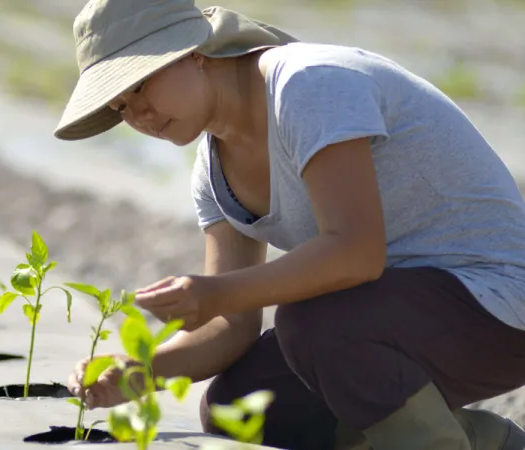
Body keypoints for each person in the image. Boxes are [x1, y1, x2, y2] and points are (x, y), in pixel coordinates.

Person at [53, 1, 525, 449]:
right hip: (402, 315)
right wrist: (139, 371)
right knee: (243, 406)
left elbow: (355, 253)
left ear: (193, 52)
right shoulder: (212, 170)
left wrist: (214, 293)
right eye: (119, 107)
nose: (137, 115)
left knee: (315, 323)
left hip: (497, 305)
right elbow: (231, 327)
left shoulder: (306, 84)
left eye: (139, 86)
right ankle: (485, 440)